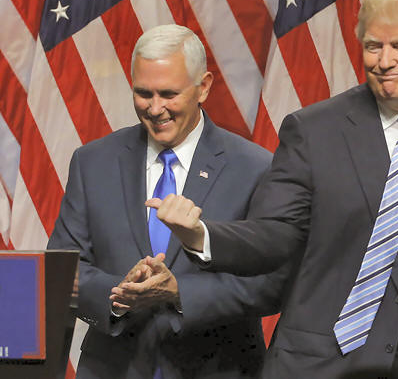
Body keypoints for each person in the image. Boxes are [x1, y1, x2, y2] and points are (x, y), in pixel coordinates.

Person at [152, 0, 398, 379]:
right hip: (326, 365)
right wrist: (201, 235)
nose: (385, 61)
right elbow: (274, 234)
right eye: (373, 46)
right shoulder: (314, 131)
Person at [47, 24, 285, 379]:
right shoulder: (92, 162)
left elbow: (270, 283)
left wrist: (178, 293)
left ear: (204, 87)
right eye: (144, 94)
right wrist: (119, 294)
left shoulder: (255, 167)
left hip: (217, 369)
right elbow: (62, 270)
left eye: (169, 94)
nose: (155, 108)